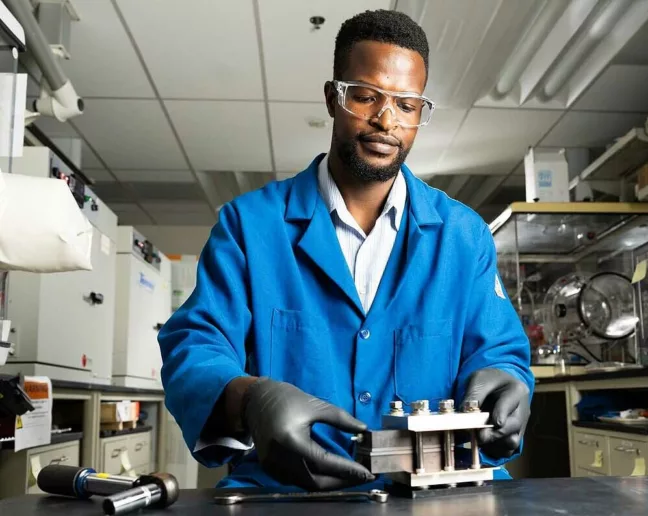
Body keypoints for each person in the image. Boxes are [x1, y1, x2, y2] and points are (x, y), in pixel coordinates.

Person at [158, 9, 533, 491]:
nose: (386, 119)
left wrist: (506, 380)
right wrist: (248, 397)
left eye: (407, 104)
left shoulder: (463, 235)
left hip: (439, 489)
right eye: (366, 96)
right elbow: (196, 344)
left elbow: (498, 348)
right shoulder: (250, 226)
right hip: (284, 494)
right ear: (333, 99)